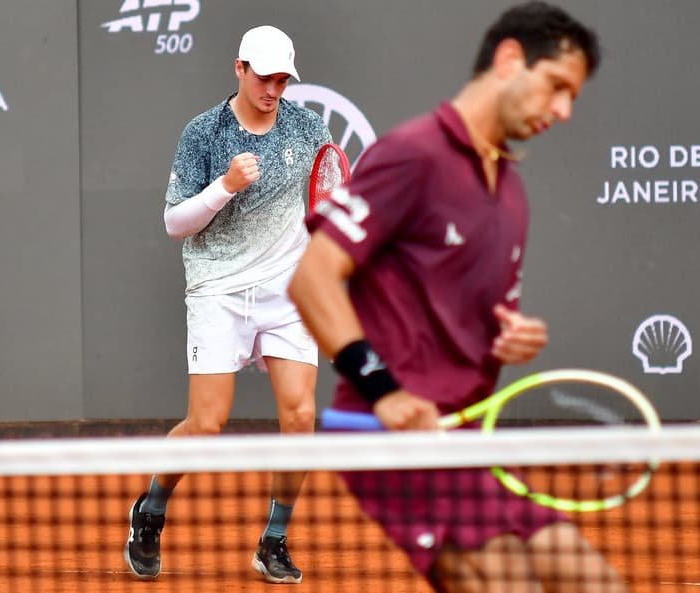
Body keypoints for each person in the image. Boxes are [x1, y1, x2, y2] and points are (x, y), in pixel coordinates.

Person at [288, 3, 626, 592]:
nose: (564, 111)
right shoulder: (414, 154)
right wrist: (384, 391)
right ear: (510, 59)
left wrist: (507, 337)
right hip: (391, 433)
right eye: (556, 88)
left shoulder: (512, 193)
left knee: (595, 583)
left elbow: (455, 318)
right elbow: (312, 277)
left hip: (462, 440)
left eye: (572, 96)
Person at [124, 25, 331, 584]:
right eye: (264, 77)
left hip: (287, 293)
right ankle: (152, 510)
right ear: (239, 69)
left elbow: (324, 208)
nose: (273, 89)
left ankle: (275, 539)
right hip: (218, 286)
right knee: (207, 424)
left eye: (283, 79)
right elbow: (173, 224)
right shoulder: (204, 133)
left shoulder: (309, 128)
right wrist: (226, 185)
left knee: (301, 415)